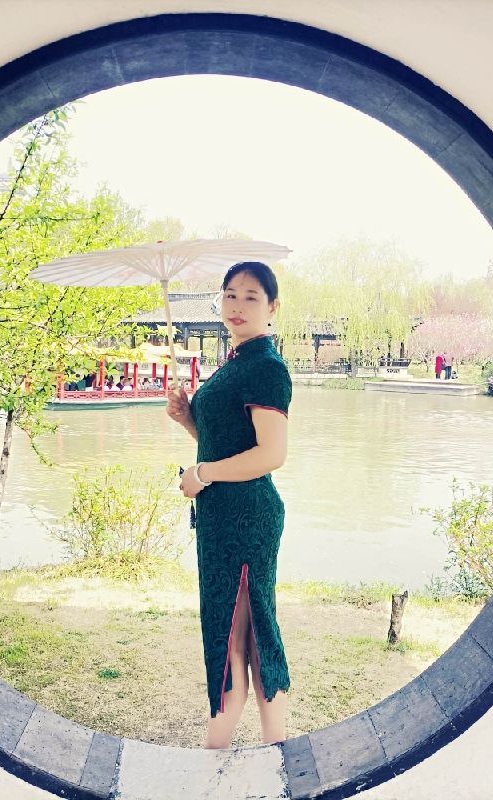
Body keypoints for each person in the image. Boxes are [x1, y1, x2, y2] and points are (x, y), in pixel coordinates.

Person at [167, 261, 291, 749]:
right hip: (222, 517)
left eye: (251, 296)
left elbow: (271, 454)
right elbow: (225, 443)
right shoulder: (237, 361)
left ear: (272, 307)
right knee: (247, 633)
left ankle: (218, 753)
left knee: (237, 636)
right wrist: (188, 419)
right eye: (230, 294)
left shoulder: (265, 367)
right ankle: (274, 749)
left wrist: (202, 473)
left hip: (245, 518)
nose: (237, 305)